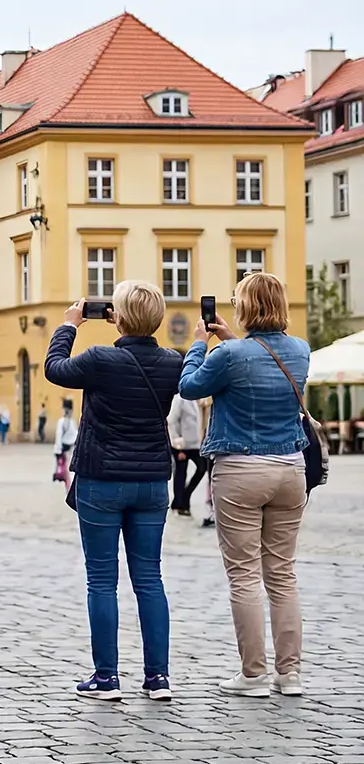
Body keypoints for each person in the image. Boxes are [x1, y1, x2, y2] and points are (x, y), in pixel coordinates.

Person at [45, 280, 182, 701]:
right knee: (149, 578)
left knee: (102, 580)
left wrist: (69, 326)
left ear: (116, 317)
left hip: (102, 480)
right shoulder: (173, 362)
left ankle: (107, 678)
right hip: (152, 483)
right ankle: (157, 678)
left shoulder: (100, 359)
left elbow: (55, 368)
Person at [177, 271, 312, 698]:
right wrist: (233, 339)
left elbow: (189, 385)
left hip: (241, 470)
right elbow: (260, 360)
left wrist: (201, 342)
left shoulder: (228, 355)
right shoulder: (301, 351)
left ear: (245, 306)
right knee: (283, 574)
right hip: (291, 469)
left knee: (244, 576)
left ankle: (252, 675)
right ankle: (289, 675)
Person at [167, 391, 207, 517]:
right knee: (180, 473)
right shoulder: (180, 399)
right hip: (182, 445)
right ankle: (179, 504)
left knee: (202, 467)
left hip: (195, 444)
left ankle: (185, 497)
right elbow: (172, 421)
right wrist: (177, 444)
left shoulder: (199, 400)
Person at [53, 399, 78, 482]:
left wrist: (57, 449)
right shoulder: (72, 422)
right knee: (70, 471)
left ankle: (69, 489)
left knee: (66, 471)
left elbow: (59, 436)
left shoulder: (61, 422)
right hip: (72, 447)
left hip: (64, 448)